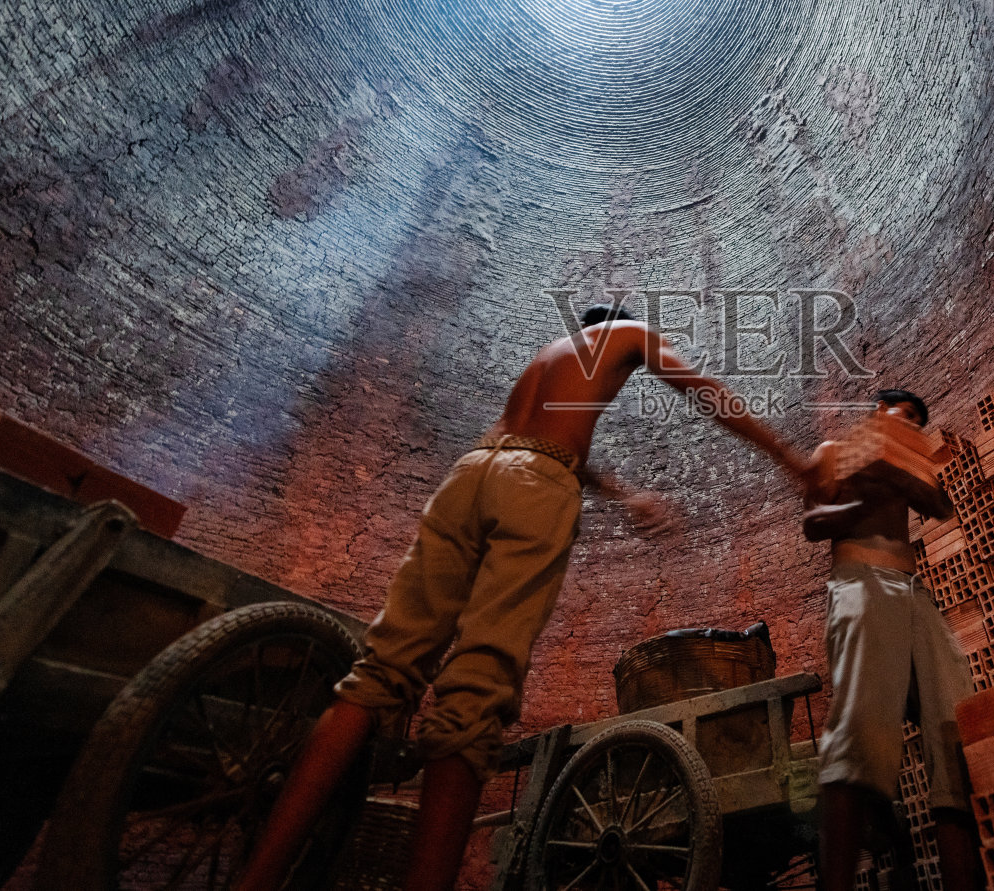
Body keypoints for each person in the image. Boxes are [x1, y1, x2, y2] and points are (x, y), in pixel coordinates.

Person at [238, 304, 815, 891]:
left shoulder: (545, 362)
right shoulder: (628, 333)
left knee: (378, 674)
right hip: (533, 484)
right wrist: (787, 456)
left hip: (468, 477)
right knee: (476, 689)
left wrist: (618, 494)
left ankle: (255, 879)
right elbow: (703, 391)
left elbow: (533, 446)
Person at [805, 389, 986, 891]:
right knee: (862, 727)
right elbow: (811, 524)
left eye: (915, 418)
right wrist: (869, 490)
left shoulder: (910, 462)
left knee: (955, 725)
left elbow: (941, 504)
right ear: (875, 415)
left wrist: (906, 478)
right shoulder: (833, 454)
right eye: (898, 413)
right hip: (860, 580)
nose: (906, 421)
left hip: (914, 592)